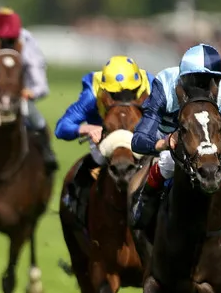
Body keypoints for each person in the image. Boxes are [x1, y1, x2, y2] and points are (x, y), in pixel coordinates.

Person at [130, 44, 221, 231]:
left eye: (210, 81)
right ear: (182, 79)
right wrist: (164, 143)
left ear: (219, 80)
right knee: (167, 164)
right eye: (196, 81)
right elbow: (138, 141)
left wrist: (209, 147)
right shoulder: (164, 84)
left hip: (212, 141)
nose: (203, 88)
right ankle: (145, 201)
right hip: (171, 140)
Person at [57, 55, 154, 227]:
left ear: (138, 85)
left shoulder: (151, 86)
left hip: (140, 136)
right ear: (105, 89)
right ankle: (76, 209)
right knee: (93, 162)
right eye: (115, 94)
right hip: (104, 139)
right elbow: (62, 127)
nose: (123, 99)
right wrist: (86, 128)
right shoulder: (92, 93)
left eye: (130, 93)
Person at [0, 7, 57, 171]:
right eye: (0, 39)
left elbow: (38, 77)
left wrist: (32, 91)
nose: (4, 42)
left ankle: (47, 153)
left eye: (9, 39)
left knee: (37, 120)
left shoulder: (26, 40)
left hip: (18, 92)